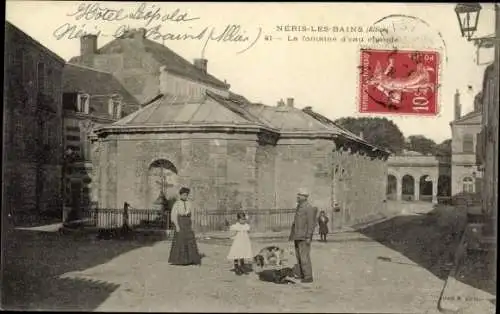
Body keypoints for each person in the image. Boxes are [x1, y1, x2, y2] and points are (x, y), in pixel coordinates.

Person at [289, 188, 318, 283]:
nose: (298, 196)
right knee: (299, 256)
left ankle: (308, 277)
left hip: (304, 236)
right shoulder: (299, 206)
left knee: (304, 256)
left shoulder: (308, 208)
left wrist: (309, 236)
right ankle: (302, 275)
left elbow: (311, 223)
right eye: (298, 195)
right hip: (297, 235)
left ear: (305, 197)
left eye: (300, 195)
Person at [168, 187, 202, 266]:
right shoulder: (177, 203)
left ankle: (190, 259)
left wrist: (192, 223)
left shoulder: (189, 203)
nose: (185, 196)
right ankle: (180, 260)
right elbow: (174, 215)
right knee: (180, 240)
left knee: (190, 240)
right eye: (183, 195)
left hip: (187, 223)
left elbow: (192, 214)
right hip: (180, 222)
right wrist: (177, 226)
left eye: (186, 195)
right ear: (180, 195)